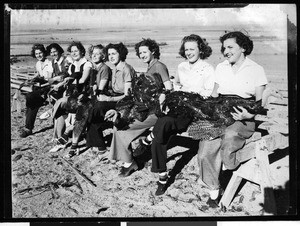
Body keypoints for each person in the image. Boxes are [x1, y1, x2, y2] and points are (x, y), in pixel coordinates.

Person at [134, 34, 215, 195]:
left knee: (161, 125)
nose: (189, 52)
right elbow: (176, 85)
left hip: (196, 109)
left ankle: (148, 142)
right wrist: (171, 93)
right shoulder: (182, 67)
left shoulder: (208, 69)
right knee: (160, 132)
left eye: (192, 49)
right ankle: (162, 174)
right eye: (186, 49)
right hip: (179, 106)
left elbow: (208, 93)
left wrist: (189, 94)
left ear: (201, 50)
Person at [197, 31, 268, 208]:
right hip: (221, 113)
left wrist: (248, 115)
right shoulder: (221, 67)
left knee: (229, 137)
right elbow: (214, 94)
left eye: (230, 47)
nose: (226, 51)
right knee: (205, 148)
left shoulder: (256, 69)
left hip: (243, 117)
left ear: (243, 48)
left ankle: (229, 164)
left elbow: (260, 102)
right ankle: (214, 190)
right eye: (224, 48)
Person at [105, 38, 172, 177]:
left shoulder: (159, 66)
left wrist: (162, 97)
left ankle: (129, 163)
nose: (142, 55)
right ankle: (128, 162)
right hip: (145, 109)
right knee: (119, 125)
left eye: (145, 52)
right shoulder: (150, 66)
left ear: (153, 51)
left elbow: (169, 87)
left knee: (121, 127)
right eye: (140, 53)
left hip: (155, 112)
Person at [85, 42, 136, 157]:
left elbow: (128, 95)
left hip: (125, 102)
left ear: (121, 54)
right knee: (92, 112)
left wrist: (108, 99)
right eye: (109, 54)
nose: (111, 57)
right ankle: (101, 147)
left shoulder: (126, 69)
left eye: (114, 54)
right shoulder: (114, 69)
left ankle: (89, 140)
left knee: (94, 110)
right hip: (115, 99)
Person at [51, 41, 93, 155]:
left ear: (82, 51)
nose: (74, 53)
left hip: (85, 95)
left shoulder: (87, 64)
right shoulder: (73, 65)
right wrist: (63, 82)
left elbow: (83, 80)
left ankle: (66, 132)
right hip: (73, 94)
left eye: (76, 51)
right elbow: (68, 79)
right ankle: (60, 137)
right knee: (58, 104)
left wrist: (69, 80)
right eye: (72, 51)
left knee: (60, 104)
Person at [19, 44, 54, 138]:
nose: (38, 55)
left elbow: (49, 79)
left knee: (30, 98)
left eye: (40, 53)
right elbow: (38, 74)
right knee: (33, 103)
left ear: (44, 53)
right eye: (36, 54)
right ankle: (28, 128)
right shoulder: (38, 63)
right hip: (39, 87)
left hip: (48, 87)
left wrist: (40, 80)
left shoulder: (49, 62)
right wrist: (31, 79)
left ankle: (28, 128)